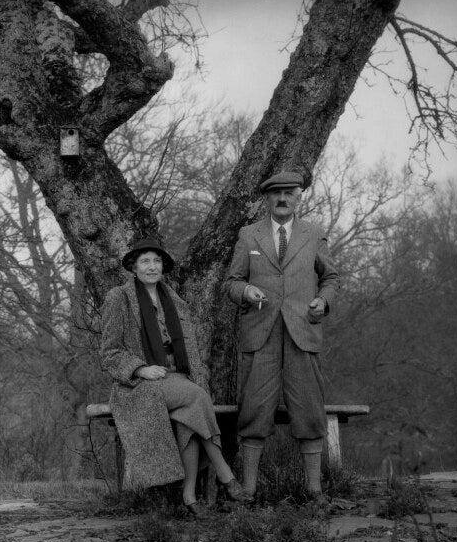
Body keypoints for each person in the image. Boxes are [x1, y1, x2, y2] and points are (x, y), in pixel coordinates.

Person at [100, 238, 249, 517]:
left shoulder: (174, 300)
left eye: (157, 261)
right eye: (145, 261)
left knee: (189, 417)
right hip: (140, 385)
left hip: (177, 377)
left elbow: (190, 351)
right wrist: (140, 369)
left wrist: (198, 376)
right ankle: (226, 475)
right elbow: (109, 353)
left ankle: (189, 497)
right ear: (133, 267)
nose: (152, 267)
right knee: (197, 398)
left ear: (163, 266)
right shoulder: (118, 298)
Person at [223, 170, 340, 502]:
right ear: (267, 199)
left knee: (310, 409)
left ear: (299, 197)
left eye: (289, 193)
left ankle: (314, 490)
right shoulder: (249, 235)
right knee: (254, 409)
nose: (283, 199)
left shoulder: (313, 234)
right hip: (260, 334)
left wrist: (323, 301)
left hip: (303, 332)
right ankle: (248, 490)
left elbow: (331, 278)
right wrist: (246, 291)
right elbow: (231, 282)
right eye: (276, 194)